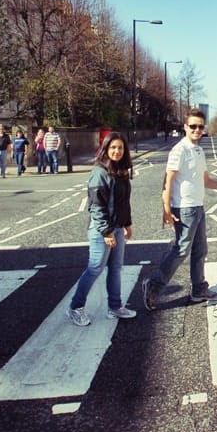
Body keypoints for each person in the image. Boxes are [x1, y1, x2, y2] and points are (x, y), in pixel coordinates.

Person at [141, 108, 217, 310]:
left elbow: (205, 180)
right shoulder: (179, 150)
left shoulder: (198, 150)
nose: (197, 130)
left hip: (197, 207)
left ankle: (199, 289)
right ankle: (153, 285)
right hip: (184, 208)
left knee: (200, 251)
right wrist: (166, 209)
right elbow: (167, 181)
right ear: (185, 127)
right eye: (193, 126)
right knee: (180, 250)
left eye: (200, 126)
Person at [66, 132, 138, 326]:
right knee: (95, 267)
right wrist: (106, 232)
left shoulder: (121, 171)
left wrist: (127, 223)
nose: (117, 151)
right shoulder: (99, 173)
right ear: (105, 149)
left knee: (115, 268)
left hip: (117, 227)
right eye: (113, 147)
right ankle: (75, 307)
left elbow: (124, 202)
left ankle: (115, 307)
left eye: (120, 148)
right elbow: (96, 206)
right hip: (101, 230)